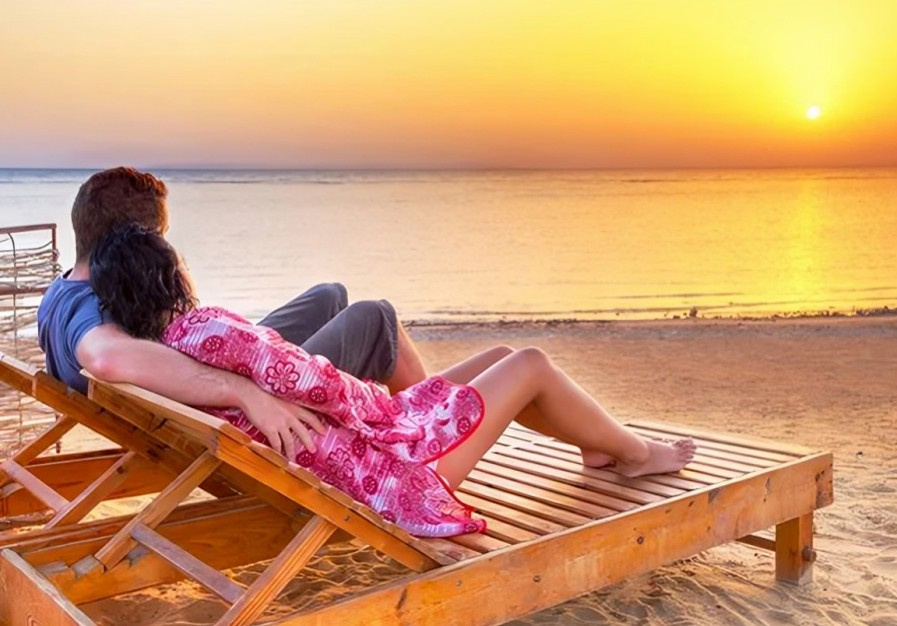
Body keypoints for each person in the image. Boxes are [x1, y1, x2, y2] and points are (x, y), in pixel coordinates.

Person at [89, 223, 697, 537]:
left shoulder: (165, 353)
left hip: (349, 453)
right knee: (531, 361)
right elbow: (313, 381)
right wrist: (387, 407)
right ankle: (638, 455)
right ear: (171, 274)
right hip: (390, 475)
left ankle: (596, 444)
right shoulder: (207, 331)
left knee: (501, 354)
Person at [37, 167, 427, 453]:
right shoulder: (90, 313)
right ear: (135, 241)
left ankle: (381, 419)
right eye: (160, 238)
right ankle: (426, 438)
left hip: (201, 403)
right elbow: (106, 358)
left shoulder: (65, 289)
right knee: (375, 319)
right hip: (228, 423)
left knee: (330, 296)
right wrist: (243, 391)